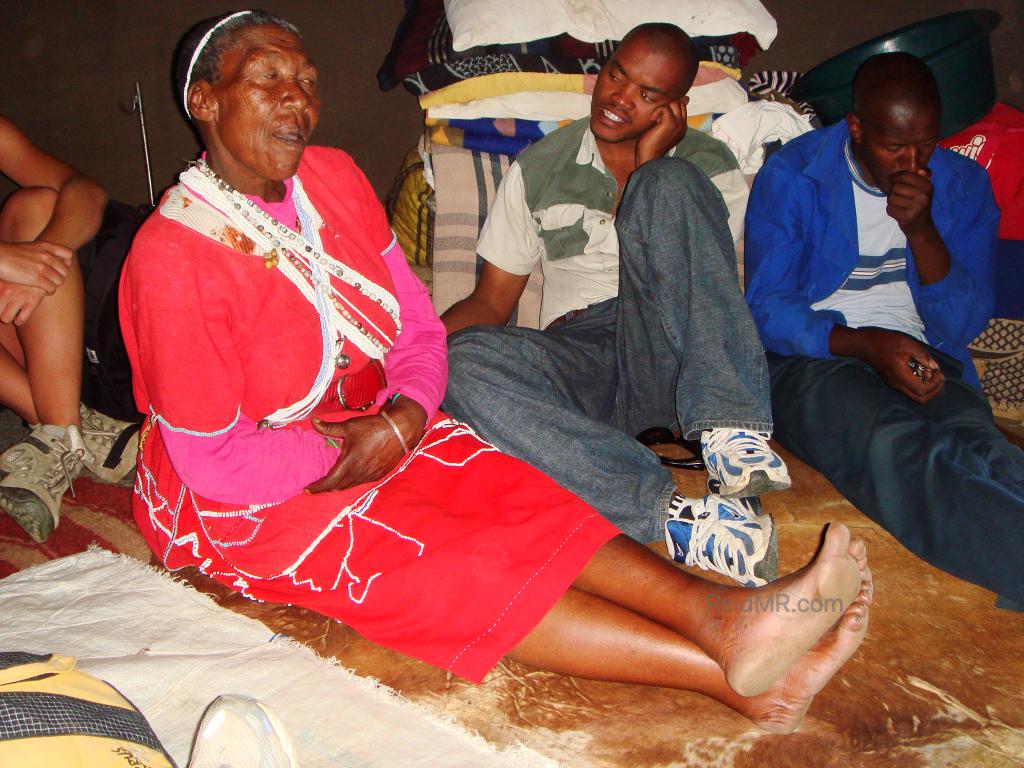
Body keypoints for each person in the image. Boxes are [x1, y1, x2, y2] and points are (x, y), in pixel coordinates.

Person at [120, 10, 872, 734]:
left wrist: (408, 413)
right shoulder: (171, 258)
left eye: (309, 79)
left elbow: (413, 322)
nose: (298, 98)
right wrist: (369, 438)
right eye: (268, 78)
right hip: (252, 485)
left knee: (511, 494)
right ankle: (735, 674)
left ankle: (722, 608)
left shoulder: (335, 179)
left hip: (383, 419)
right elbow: (216, 458)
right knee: (449, 558)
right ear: (204, 100)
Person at [440, 23, 789, 587]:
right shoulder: (540, 166)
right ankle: (684, 522)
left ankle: (732, 431)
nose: (619, 99)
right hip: (582, 356)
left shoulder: (709, 164)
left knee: (669, 183)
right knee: (461, 362)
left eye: (647, 94)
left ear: (676, 106)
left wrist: (652, 164)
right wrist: (417, 353)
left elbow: (707, 284)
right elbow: (490, 299)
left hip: (675, 351)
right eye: (616, 75)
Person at [744, 52, 1024, 608]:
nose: (913, 163)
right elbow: (767, 308)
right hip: (818, 357)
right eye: (895, 147)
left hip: (927, 354)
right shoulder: (795, 176)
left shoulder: (962, 185)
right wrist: (866, 345)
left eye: (926, 144)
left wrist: (921, 231)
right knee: (895, 444)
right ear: (855, 128)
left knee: (984, 449)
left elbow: (965, 322)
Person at [0, 116, 137, 543]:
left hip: (59, 340)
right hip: (46, 366)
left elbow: (86, 191)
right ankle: (78, 434)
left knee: (34, 205)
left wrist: (46, 253)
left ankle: (63, 432)